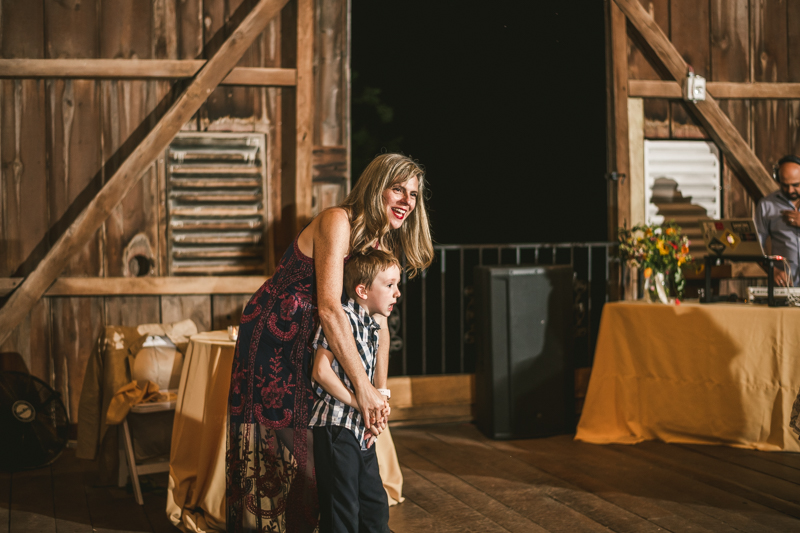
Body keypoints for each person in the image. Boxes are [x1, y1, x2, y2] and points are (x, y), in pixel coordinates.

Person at [227, 153, 433, 532]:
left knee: (322, 457)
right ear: (377, 188)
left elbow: (379, 324)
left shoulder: (381, 239)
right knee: (288, 459)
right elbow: (329, 308)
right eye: (398, 190)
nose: (407, 201)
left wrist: (379, 394)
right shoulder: (338, 221)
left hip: (317, 342)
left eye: (414, 195)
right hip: (277, 338)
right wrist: (362, 389)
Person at [309, 249, 400, 533]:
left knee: (374, 505)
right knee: (342, 511)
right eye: (389, 286)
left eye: (397, 285)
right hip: (337, 428)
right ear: (362, 290)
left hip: (359, 429)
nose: (396, 293)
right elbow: (320, 372)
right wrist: (361, 403)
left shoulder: (372, 324)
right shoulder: (343, 319)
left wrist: (374, 408)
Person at [756, 155, 800, 287]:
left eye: (796, 185)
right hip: (786, 288)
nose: (790, 190)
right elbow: (754, 247)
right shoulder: (767, 205)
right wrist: (773, 271)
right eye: (785, 185)